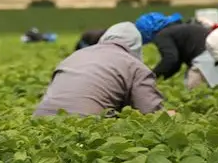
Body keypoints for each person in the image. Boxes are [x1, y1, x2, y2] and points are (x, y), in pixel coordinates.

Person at [34, 22, 167, 117]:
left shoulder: (75, 56)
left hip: (40, 121)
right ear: (137, 47)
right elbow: (151, 113)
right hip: (85, 124)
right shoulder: (135, 65)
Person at [136, 12, 207, 81]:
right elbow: (176, 65)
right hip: (212, 54)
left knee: (193, 86)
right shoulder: (177, 29)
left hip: (204, 58)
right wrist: (156, 77)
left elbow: (170, 58)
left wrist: (150, 78)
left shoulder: (162, 35)